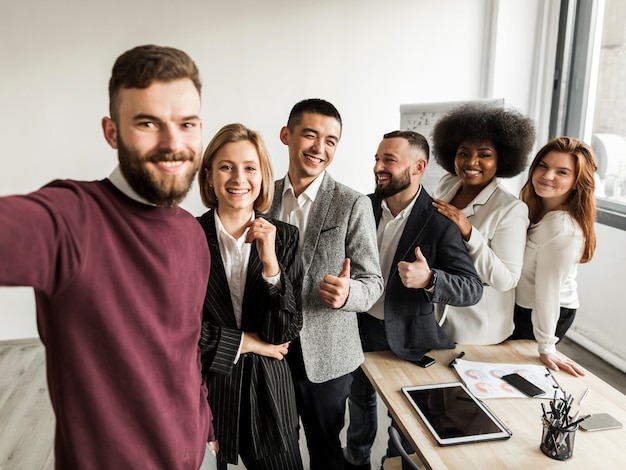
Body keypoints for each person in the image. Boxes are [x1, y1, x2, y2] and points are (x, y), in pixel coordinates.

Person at [0, 45, 217, 470]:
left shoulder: (193, 234)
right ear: (112, 131)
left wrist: (206, 430)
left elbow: (185, 350)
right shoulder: (71, 218)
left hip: (197, 458)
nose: (173, 144)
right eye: (148, 123)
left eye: (186, 124)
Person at [343, 130, 483, 469]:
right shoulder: (361, 205)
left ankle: (394, 464)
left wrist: (430, 279)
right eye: (377, 159)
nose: (378, 167)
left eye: (389, 160)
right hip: (354, 327)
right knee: (358, 407)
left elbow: (472, 287)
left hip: (406, 337)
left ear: (418, 166)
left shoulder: (439, 221)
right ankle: (357, 460)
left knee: (403, 422)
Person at [266, 98, 384, 470]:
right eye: (311, 135)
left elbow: (373, 281)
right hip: (272, 350)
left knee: (326, 451)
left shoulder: (352, 203)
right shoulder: (260, 195)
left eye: (331, 141)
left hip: (328, 357)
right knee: (277, 447)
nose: (320, 148)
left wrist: (350, 293)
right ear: (287, 135)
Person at [196, 123, 303, 470]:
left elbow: (284, 333)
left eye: (249, 168)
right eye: (226, 166)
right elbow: (177, 333)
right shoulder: (186, 237)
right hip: (205, 392)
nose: (238, 178)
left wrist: (270, 263)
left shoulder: (284, 237)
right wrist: (249, 343)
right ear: (209, 176)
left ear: (262, 176)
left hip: (269, 393)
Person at [431, 103, 536, 344]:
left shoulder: (511, 209)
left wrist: (469, 233)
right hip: (439, 314)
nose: (471, 162)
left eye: (484, 155)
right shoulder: (447, 185)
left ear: (502, 159)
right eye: (463, 153)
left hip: (478, 326)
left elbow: (506, 279)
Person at [510, 136, 597, 377]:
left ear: (577, 182)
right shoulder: (536, 207)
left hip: (545, 310)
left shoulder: (561, 228)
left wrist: (547, 346)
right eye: (543, 166)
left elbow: (547, 290)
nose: (547, 176)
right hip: (527, 306)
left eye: (562, 172)